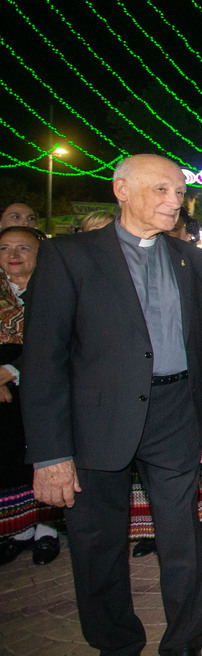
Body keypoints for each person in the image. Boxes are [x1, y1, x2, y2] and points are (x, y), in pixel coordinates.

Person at [23, 154, 202, 656]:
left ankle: (184, 645)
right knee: (95, 543)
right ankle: (115, 647)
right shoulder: (68, 257)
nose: (174, 200)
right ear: (121, 190)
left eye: (179, 191)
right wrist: (51, 453)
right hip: (96, 421)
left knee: (181, 539)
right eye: (161, 190)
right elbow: (43, 361)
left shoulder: (189, 260)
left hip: (175, 412)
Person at [128, 219, 202, 561]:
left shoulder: (192, 261)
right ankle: (149, 529)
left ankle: (179, 528)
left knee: (179, 497)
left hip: (184, 389)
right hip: (126, 398)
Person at [0, 226, 61, 567]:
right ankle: (18, 530)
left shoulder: (52, 290)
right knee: (10, 461)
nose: (14, 255)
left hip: (42, 387)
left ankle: (45, 530)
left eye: (23, 248)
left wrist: (13, 372)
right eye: (6, 247)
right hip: (5, 396)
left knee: (42, 455)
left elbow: (54, 344)